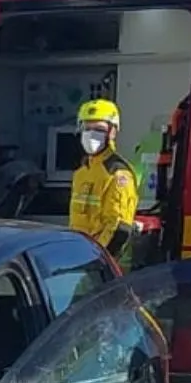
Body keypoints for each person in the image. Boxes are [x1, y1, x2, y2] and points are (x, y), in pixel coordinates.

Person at [68, 97, 139, 260]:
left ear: (112, 132)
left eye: (99, 129)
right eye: (87, 128)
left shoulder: (118, 173)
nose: (91, 134)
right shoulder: (82, 172)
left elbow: (119, 229)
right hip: (79, 255)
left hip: (101, 260)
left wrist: (98, 261)